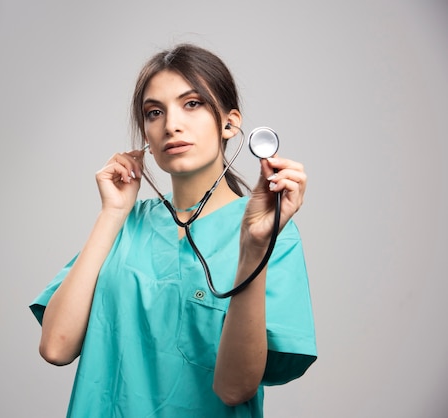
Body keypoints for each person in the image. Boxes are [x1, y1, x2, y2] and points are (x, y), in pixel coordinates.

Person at [30, 43, 317, 417]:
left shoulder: (270, 232)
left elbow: (234, 389)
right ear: (146, 134)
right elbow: (56, 346)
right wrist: (112, 213)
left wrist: (253, 248)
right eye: (154, 112)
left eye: (192, 103)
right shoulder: (126, 223)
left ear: (230, 123)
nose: (171, 125)